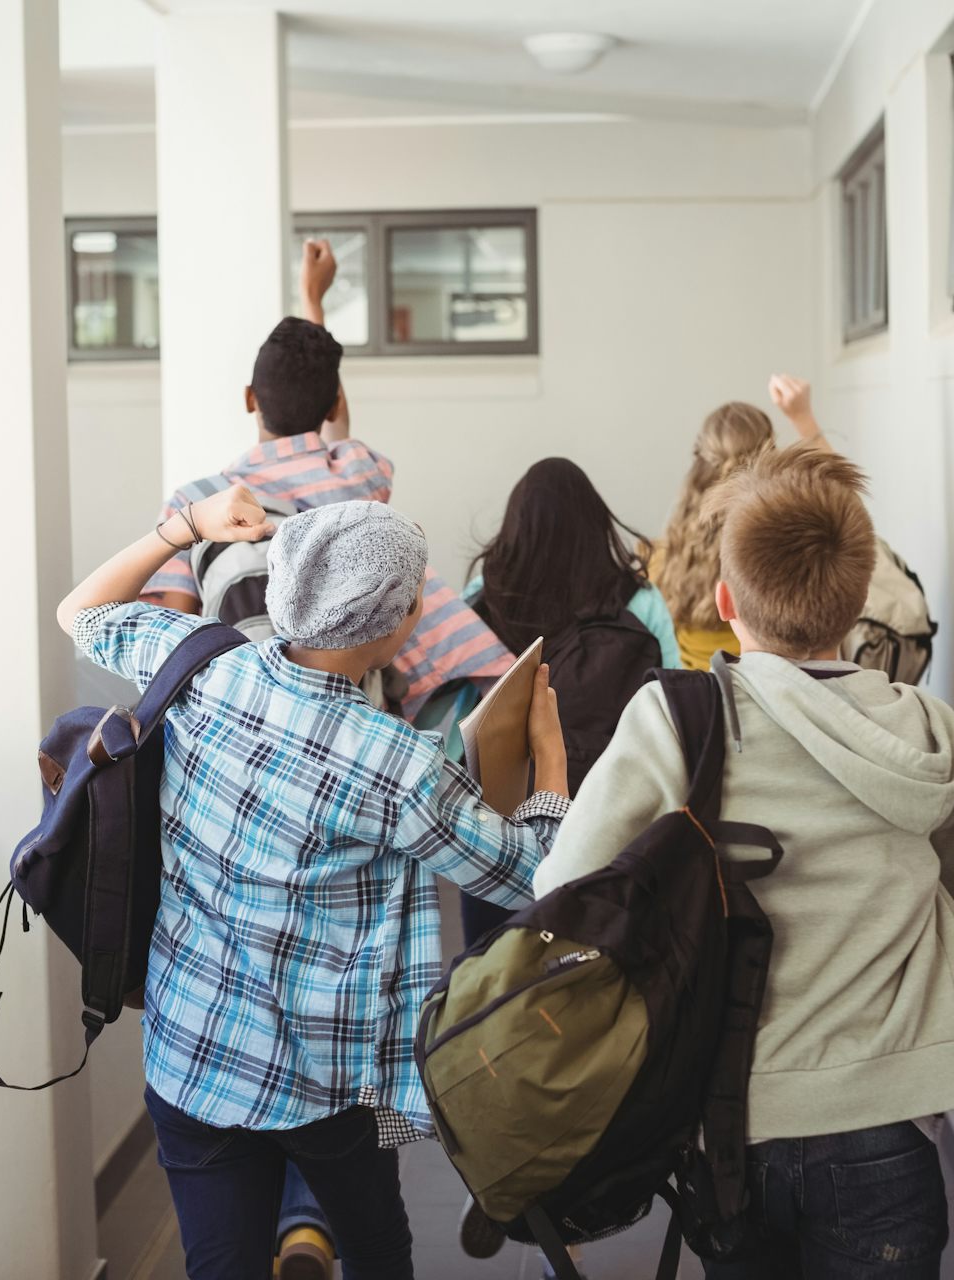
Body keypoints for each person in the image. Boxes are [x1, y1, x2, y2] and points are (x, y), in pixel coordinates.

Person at [533, 446, 954, 1278]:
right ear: (858, 601)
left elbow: (561, 892)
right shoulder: (926, 729)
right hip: (889, 1125)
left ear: (726, 601)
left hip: (730, 1121)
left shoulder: (676, 718)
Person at [57, 488, 571, 1280]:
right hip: (324, 1080)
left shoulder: (204, 662)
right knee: (376, 1255)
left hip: (191, 1051)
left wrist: (186, 527)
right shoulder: (396, 764)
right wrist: (550, 755)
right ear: (397, 622)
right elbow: (537, 872)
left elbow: (81, 613)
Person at [452, 457, 680, 1277]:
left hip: (498, 851)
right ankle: (586, 1176)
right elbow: (678, 707)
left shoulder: (481, 606)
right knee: (593, 1019)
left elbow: (454, 736)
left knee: (498, 1013)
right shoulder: (638, 603)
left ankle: (515, 1180)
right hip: (610, 850)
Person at [143, 239, 514, 721]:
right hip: (358, 713)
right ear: (334, 404)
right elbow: (338, 431)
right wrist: (313, 299)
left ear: (250, 399)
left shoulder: (196, 504)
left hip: (239, 711)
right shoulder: (358, 477)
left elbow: (174, 628)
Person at [652, 375, 829, 670]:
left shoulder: (664, 559)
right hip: (769, 690)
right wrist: (803, 418)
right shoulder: (787, 550)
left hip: (694, 693)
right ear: (770, 456)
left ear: (700, 460)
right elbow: (842, 509)